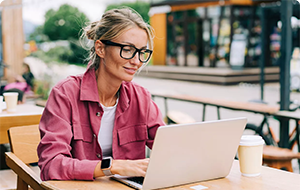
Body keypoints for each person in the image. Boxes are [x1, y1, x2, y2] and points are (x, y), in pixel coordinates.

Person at [37, 8, 165, 181]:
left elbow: (169, 149)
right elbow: (51, 164)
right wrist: (113, 167)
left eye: (142, 52)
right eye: (127, 49)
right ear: (100, 48)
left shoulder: (141, 98)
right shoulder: (65, 94)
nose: (137, 61)